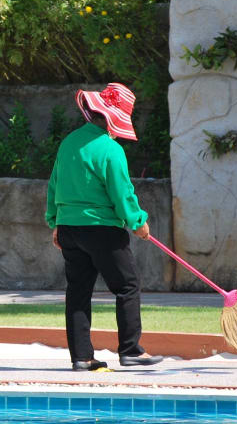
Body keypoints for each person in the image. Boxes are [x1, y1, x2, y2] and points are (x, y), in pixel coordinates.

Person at [45, 83, 164, 371]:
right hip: (102, 229)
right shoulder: (111, 149)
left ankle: (82, 357)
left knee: (78, 291)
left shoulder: (69, 142)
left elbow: (53, 185)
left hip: (69, 227)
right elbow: (121, 192)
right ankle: (131, 350)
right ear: (114, 119)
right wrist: (137, 221)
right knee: (128, 285)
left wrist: (55, 222)